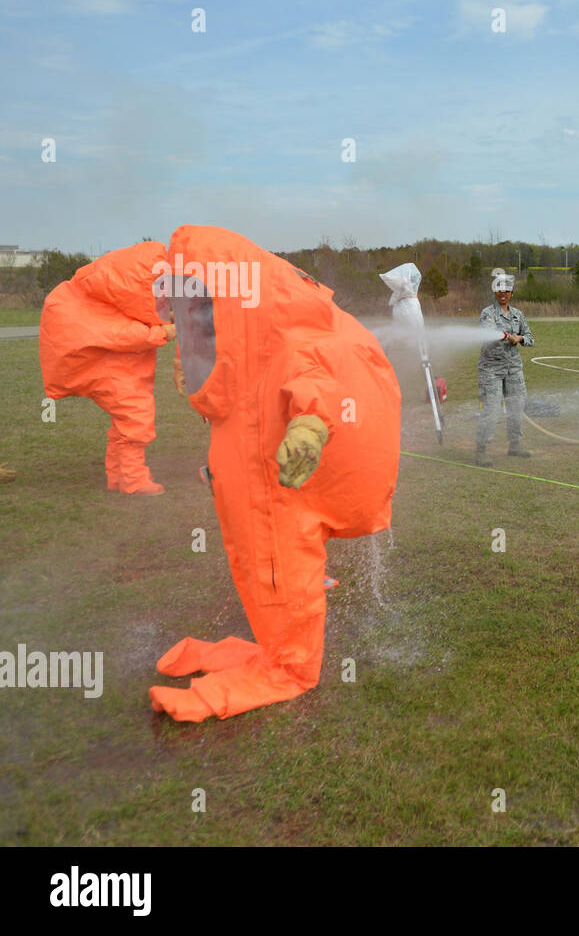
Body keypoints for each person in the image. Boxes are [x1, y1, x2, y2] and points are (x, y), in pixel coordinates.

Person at [149, 225, 402, 721]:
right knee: (259, 574)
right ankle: (269, 651)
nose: (193, 319)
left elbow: (317, 384)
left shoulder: (288, 343)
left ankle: (290, 669)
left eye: (200, 305)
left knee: (283, 575)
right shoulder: (246, 351)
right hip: (252, 489)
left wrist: (308, 430)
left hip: (280, 496)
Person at [38, 241, 176, 495]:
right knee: (135, 420)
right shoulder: (113, 306)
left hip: (122, 369)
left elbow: (131, 324)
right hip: (118, 372)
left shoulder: (115, 300)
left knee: (124, 422)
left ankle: (117, 477)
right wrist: (162, 332)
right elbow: (124, 335)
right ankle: (134, 481)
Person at [476, 271, 534, 467]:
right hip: (491, 370)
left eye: (507, 290)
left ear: (512, 293)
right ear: (495, 292)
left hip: (513, 370)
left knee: (516, 407)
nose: (503, 293)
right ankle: (481, 451)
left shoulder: (518, 315)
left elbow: (530, 338)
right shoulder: (488, 313)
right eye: (499, 290)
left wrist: (521, 339)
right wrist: (507, 336)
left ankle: (515, 445)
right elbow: (489, 332)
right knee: (491, 411)